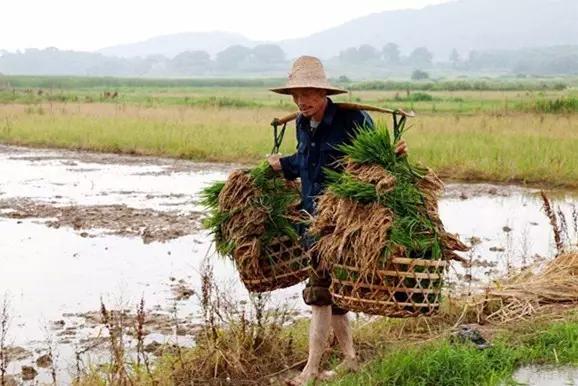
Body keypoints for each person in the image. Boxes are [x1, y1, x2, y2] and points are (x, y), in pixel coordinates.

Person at [268, 56, 407, 385]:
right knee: (335, 296)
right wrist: (279, 166)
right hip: (313, 223)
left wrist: (395, 152)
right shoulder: (302, 123)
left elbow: (377, 160)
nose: (302, 101)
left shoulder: (353, 120)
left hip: (344, 224)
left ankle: (311, 371)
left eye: (309, 94)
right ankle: (351, 361)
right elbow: (304, 163)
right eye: (297, 95)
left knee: (319, 296)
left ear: (324, 93)